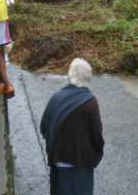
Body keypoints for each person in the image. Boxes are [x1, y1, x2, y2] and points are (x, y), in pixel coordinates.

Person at [40, 58, 104, 195]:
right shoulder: (90, 102)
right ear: (88, 77)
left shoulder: (56, 97)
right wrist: (95, 156)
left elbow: (43, 127)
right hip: (81, 164)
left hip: (58, 163)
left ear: (70, 75)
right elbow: (97, 135)